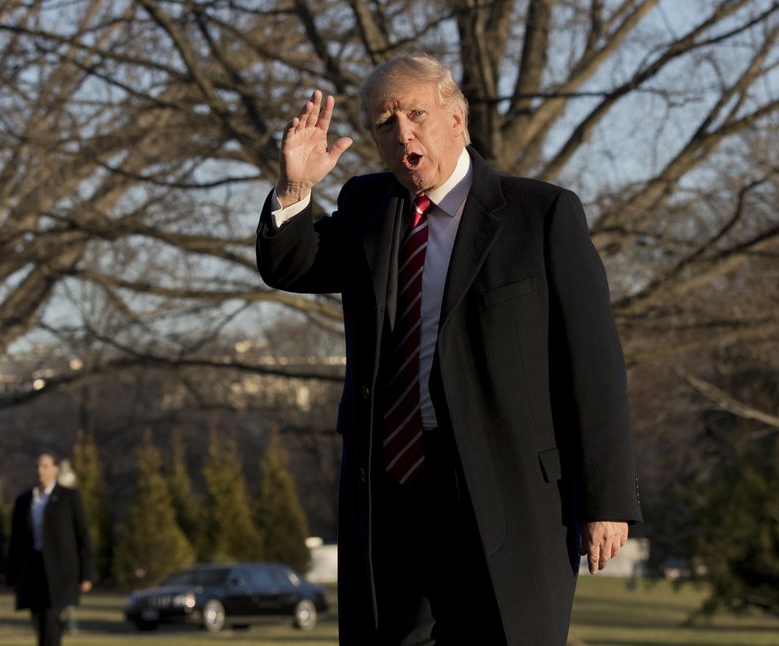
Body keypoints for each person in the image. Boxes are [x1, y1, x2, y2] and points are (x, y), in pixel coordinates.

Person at [256, 53, 642, 645]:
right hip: (392, 489)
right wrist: (295, 187)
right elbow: (293, 265)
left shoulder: (541, 214)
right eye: (385, 123)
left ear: (456, 120)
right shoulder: (367, 207)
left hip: (510, 491)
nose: (402, 133)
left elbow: (592, 363)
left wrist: (606, 499)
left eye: (416, 113)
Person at [8, 452, 93, 646]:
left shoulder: (69, 497)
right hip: (32, 568)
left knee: (52, 617)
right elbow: (15, 541)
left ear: (55, 469)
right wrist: (13, 575)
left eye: (45, 466)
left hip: (60, 570)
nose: (40, 470)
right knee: (38, 618)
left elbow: (83, 536)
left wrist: (86, 574)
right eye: (38, 466)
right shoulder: (24, 501)